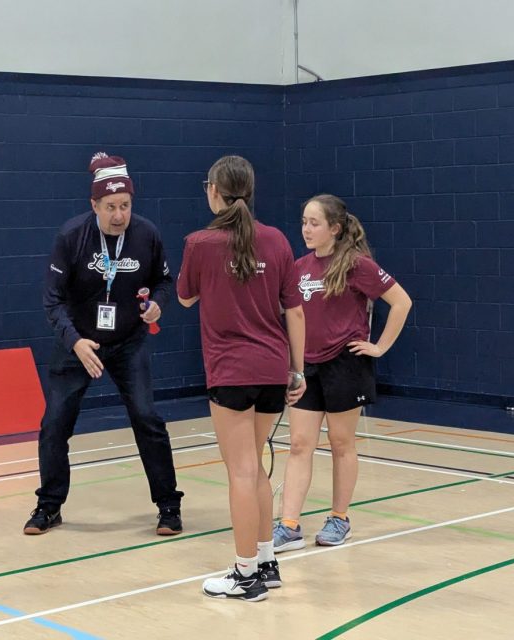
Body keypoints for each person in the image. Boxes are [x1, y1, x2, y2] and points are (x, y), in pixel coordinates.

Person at [24, 152, 184, 536]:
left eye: (125, 205)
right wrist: (75, 342)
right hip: (78, 342)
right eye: (110, 206)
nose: (119, 215)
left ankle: (168, 505)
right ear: (93, 205)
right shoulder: (71, 237)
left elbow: (165, 281)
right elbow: (52, 300)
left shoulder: (147, 235)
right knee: (54, 424)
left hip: (128, 341)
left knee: (147, 418)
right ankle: (49, 505)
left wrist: (158, 306)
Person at [177, 155, 306, 602]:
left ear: (214, 191)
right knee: (256, 466)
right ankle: (267, 560)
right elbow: (294, 309)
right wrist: (299, 368)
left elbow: (186, 297)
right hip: (273, 369)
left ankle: (245, 575)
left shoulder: (200, 242)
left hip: (231, 370)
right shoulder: (277, 241)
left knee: (241, 471)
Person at [273, 194, 411, 552]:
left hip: (346, 364)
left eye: (314, 223)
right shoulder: (298, 266)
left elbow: (401, 302)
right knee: (300, 444)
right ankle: (288, 525)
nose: (306, 229)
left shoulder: (356, 265)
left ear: (334, 228)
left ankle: (340, 518)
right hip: (307, 366)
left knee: (340, 443)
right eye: (303, 221)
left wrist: (378, 346)